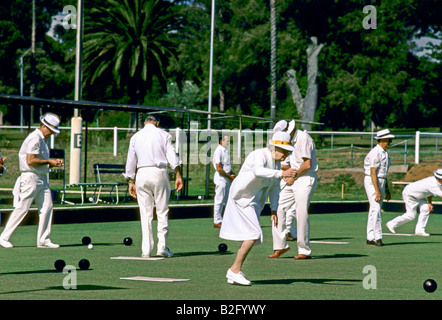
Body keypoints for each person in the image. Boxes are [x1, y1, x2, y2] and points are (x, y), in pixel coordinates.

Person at [219, 131, 297, 285]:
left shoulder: (275, 164)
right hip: (240, 198)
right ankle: (234, 270)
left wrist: (274, 209)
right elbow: (258, 171)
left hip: (253, 201)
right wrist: (282, 173)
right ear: (275, 148)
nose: (287, 155)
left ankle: (234, 271)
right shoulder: (259, 155)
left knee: (252, 234)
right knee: (254, 233)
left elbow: (274, 189)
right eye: (285, 151)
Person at [0, 113, 63, 249]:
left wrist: (50, 164)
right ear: (46, 127)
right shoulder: (35, 138)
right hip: (30, 177)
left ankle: (43, 239)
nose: (52, 133)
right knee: (23, 207)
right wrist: (49, 161)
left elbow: (38, 160)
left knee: (47, 207)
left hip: (41, 177)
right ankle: (4, 237)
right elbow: (30, 160)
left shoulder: (42, 139)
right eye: (52, 130)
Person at [124, 114, 183, 258]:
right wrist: (178, 174)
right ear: (157, 123)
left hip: (142, 173)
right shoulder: (164, 135)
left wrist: (130, 180)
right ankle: (162, 247)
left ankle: (146, 250)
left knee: (145, 214)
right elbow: (172, 155)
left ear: (145, 123)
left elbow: (131, 161)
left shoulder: (135, 137)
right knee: (162, 211)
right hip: (158, 172)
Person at [269, 120, 318, 259]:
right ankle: (280, 246)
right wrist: (287, 173)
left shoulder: (304, 138)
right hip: (293, 177)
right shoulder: (288, 141)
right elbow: (285, 163)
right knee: (279, 208)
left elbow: (307, 164)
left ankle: (304, 250)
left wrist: (293, 176)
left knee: (301, 211)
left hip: (306, 177)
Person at [386, 169, 442, 236]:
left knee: (426, 208)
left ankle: (419, 231)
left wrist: (429, 202)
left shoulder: (437, 182)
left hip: (420, 196)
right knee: (411, 215)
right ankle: (392, 223)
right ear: (439, 178)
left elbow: (430, 192)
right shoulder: (432, 184)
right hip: (410, 195)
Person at [363, 129, 394, 246]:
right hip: (372, 181)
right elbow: (373, 173)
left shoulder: (385, 153)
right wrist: (377, 191)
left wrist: (386, 189)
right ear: (382, 140)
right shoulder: (375, 152)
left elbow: (384, 173)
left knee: (374, 209)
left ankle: (370, 237)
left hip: (380, 180)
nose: (390, 141)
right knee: (376, 208)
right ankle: (377, 237)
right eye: (388, 139)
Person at [212, 135, 236, 228]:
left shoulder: (225, 151)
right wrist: (229, 176)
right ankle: (217, 221)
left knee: (226, 200)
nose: (228, 143)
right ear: (221, 141)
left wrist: (232, 174)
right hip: (221, 178)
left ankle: (225, 220)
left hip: (227, 178)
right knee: (219, 200)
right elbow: (219, 169)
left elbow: (227, 167)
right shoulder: (219, 151)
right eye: (227, 141)